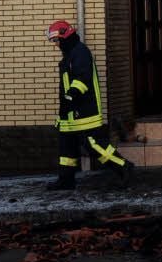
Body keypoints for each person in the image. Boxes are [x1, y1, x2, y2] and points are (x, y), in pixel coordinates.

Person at [46, 20, 133, 191]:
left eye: (56, 40)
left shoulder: (80, 52)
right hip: (69, 112)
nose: (55, 44)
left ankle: (124, 167)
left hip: (84, 110)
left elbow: (82, 78)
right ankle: (66, 180)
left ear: (65, 36)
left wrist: (71, 96)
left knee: (94, 145)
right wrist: (64, 108)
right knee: (66, 147)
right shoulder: (70, 54)